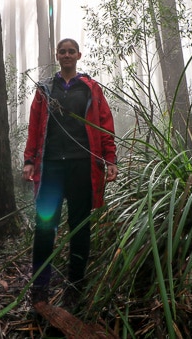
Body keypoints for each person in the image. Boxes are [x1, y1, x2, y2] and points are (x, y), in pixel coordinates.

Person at [22, 38, 118, 310]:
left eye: (71, 51)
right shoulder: (45, 89)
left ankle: (74, 288)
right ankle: (40, 288)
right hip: (51, 168)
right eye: (62, 51)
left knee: (79, 228)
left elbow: (104, 124)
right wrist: (30, 160)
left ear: (78, 55)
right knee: (44, 228)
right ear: (57, 55)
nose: (66, 55)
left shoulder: (90, 88)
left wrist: (109, 159)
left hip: (81, 168)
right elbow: (35, 126)